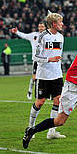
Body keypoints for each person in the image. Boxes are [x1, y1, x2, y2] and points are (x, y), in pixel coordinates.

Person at [25, 12, 66, 140]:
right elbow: (35, 57)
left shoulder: (61, 37)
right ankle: (30, 129)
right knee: (40, 102)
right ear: (54, 24)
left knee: (58, 101)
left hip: (57, 75)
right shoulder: (42, 37)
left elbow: (58, 56)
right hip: (44, 76)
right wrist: (49, 59)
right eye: (60, 22)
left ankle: (52, 131)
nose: (62, 24)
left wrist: (56, 61)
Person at [10, 22, 46, 100]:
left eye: (42, 27)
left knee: (46, 78)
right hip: (36, 60)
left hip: (45, 61)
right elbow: (24, 35)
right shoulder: (34, 35)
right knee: (34, 77)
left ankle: (45, 93)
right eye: (39, 26)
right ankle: (30, 91)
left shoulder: (48, 36)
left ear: (45, 27)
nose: (41, 28)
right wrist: (17, 32)